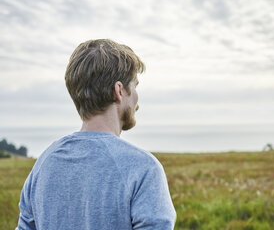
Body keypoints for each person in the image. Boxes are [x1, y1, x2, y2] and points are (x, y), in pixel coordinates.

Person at [16, 39, 177, 230]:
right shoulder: (144, 169)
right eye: (134, 85)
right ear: (119, 91)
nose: (136, 98)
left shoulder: (43, 164)